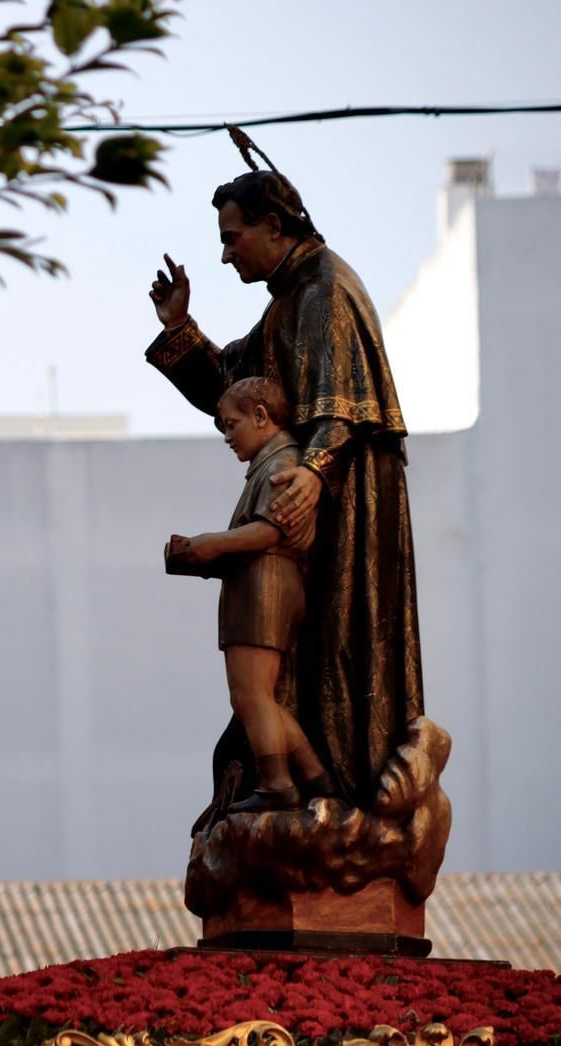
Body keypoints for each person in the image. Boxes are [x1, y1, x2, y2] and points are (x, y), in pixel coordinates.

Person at [143, 131, 422, 811]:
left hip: (344, 502)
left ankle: (331, 788)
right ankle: (312, 786)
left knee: (333, 651)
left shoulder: (325, 290)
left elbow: (344, 407)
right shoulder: (288, 299)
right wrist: (180, 329)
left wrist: (316, 471)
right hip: (314, 503)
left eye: (232, 237)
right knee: (291, 674)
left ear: (274, 225)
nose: (224, 253)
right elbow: (236, 392)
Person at [166, 377, 331, 812]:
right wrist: (198, 555)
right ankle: (316, 776)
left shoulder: (283, 463)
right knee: (252, 698)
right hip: (261, 585)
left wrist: (213, 542)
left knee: (252, 696)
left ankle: (278, 783)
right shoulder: (270, 463)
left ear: (261, 416)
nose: (227, 436)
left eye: (231, 424)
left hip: (265, 588)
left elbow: (270, 531)